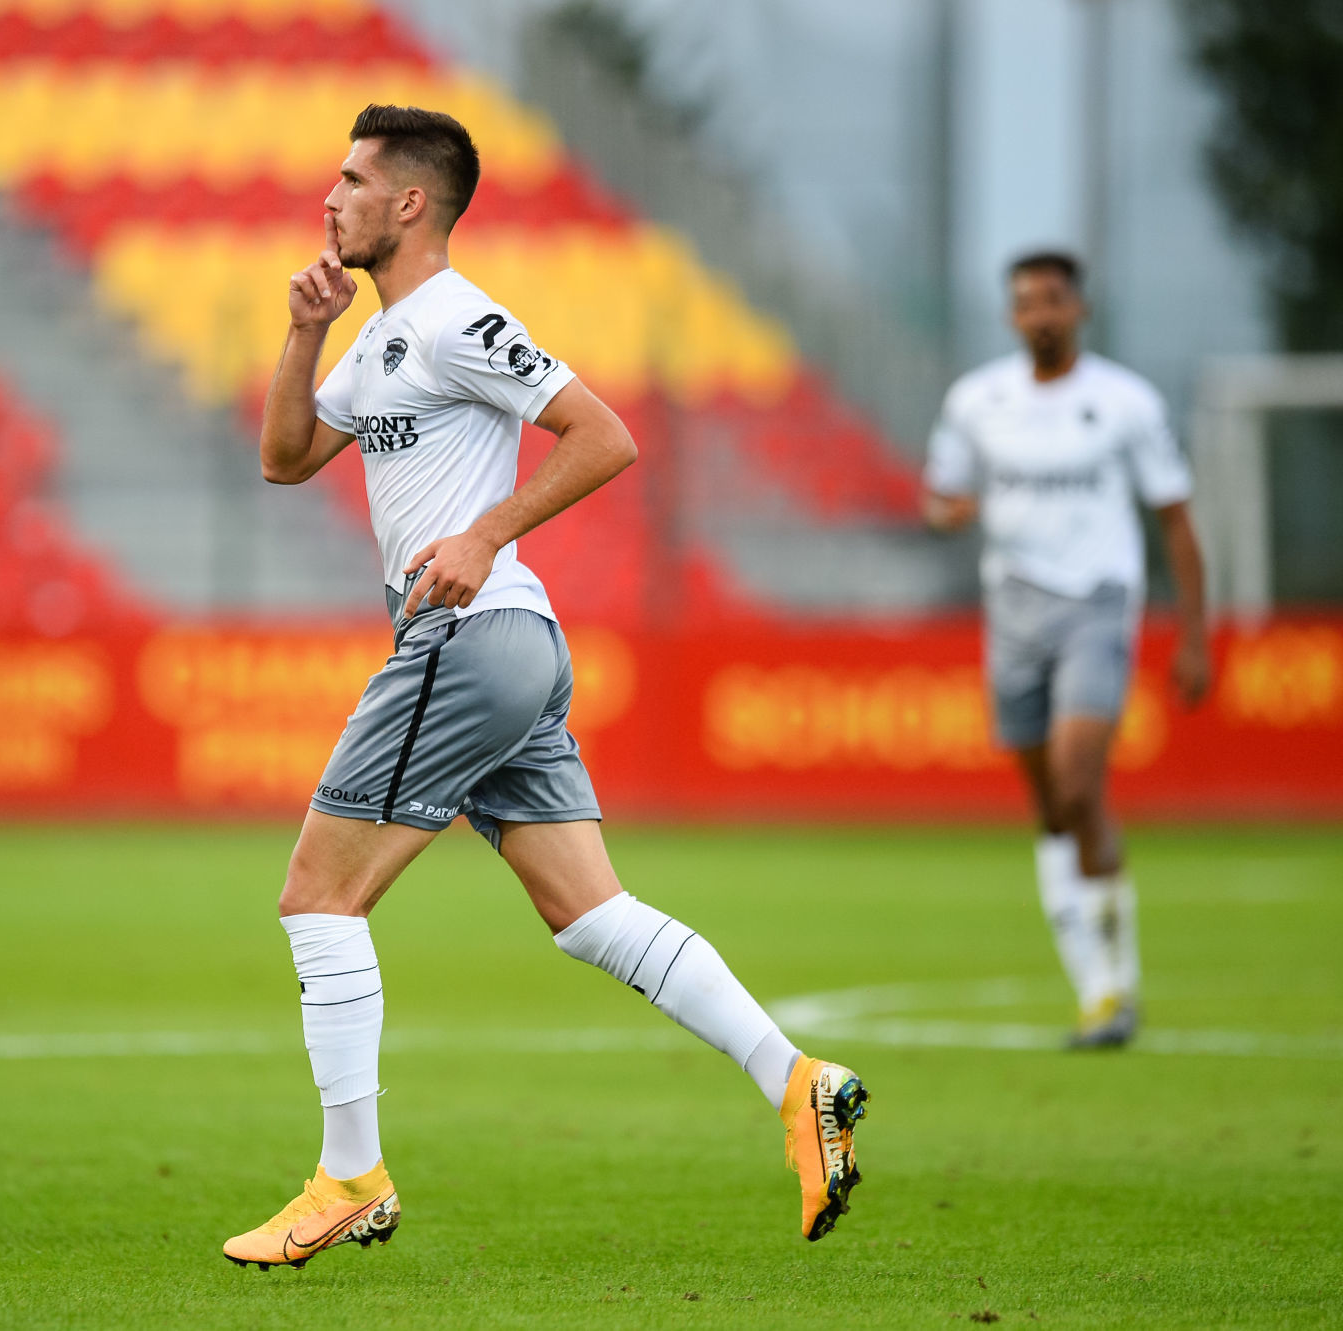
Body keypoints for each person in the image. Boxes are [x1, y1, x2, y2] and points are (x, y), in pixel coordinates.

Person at [222, 105, 869, 1270]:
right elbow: (282, 457)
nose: (330, 196)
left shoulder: (455, 319)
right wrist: (302, 334)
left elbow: (602, 434)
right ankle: (797, 1079)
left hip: (467, 635)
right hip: (509, 647)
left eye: (352, 178)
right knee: (588, 912)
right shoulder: (378, 339)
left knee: (318, 896)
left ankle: (349, 1176)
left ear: (409, 201)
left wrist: (482, 533)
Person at [923, 250, 1210, 1048]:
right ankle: (1096, 986)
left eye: (1053, 299)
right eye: (1026, 302)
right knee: (1052, 804)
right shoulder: (977, 400)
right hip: (1013, 609)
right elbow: (940, 496)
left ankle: (1113, 991)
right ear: (1011, 316)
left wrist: (1194, 634)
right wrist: (948, 513)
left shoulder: (1125, 402)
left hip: (1097, 603)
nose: (1040, 314)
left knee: (1081, 784)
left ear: (1079, 308)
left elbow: (1176, 519)